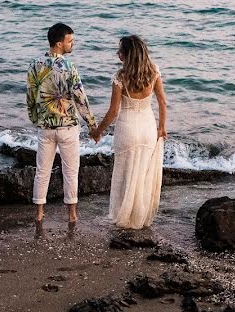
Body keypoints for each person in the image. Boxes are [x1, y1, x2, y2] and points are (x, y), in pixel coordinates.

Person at [91, 35, 167, 230]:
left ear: (127, 55)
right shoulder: (153, 72)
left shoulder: (120, 77)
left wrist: (98, 131)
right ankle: (138, 218)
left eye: (120, 51)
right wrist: (161, 127)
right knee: (142, 175)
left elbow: (113, 112)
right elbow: (162, 102)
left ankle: (123, 216)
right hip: (148, 128)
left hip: (127, 129)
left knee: (125, 174)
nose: (117, 54)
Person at [26, 23, 99, 224]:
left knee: (42, 171)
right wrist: (92, 125)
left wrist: (36, 119)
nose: (72, 44)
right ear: (59, 44)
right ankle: (72, 215)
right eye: (70, 41)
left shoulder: (35, 65)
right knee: (70, 172)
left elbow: (31, 97)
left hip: (46, 128)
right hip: (67, 128)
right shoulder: (69, 67)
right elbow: (80, 98)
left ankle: (39, 214)